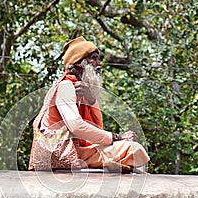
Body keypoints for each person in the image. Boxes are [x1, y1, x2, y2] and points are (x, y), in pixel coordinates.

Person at [29, 36, 149, 172]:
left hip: (78, 151)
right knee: (133, 149)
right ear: (79, 63)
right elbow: (76, 126)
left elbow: (97, 128)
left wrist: (92, 101)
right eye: (94, 58)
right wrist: (116, 137)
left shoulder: (81, 90)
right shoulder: (66, 86)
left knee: (130, 147)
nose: (100, 64)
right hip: (62, 154)